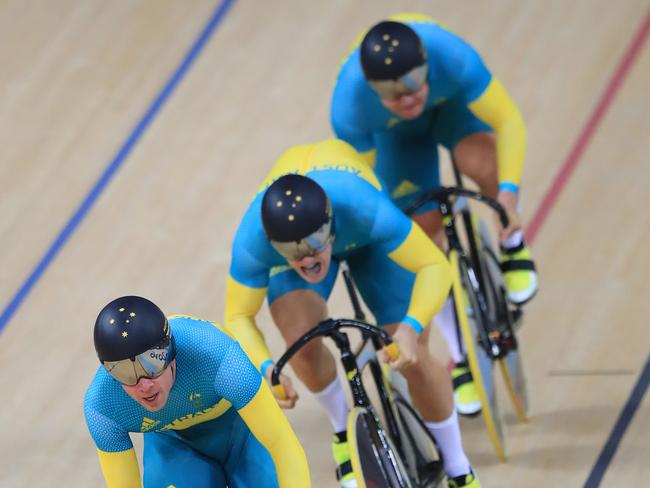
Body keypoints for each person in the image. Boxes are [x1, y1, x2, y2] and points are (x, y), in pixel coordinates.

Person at [225, 139, 480, 488]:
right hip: (322, 234)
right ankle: (343, 432)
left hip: (365, 240)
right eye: (291, 250)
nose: (306, 258)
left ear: (329, 225)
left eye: (314, 244)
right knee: (301, 343)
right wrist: (266, 369)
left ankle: (458, 466)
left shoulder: (362, 206)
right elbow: (238, 316)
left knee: (414, 356)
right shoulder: (253, 241)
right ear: (273, 243)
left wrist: (410, 327)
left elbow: (434, 266)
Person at [331, 13, 538, 416]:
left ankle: (512, 242)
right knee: (422, 238)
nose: (408, 98)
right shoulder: (350, 105)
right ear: (373, 90)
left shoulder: (451, 56)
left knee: (483, 165)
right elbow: (366, 189)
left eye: (414, 83)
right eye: (394, 93)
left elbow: (507, 119)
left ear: (428, 67)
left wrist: (508, 196)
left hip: (452, 111)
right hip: (397, 140)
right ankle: (460, 352)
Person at [84, 295, 310, 488]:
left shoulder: (216, 355)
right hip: (173, 445)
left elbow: (283, 445)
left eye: (151, 365)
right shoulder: (102, 405)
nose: (144, 385)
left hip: (242, 432)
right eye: (124, 373)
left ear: (172, 353)